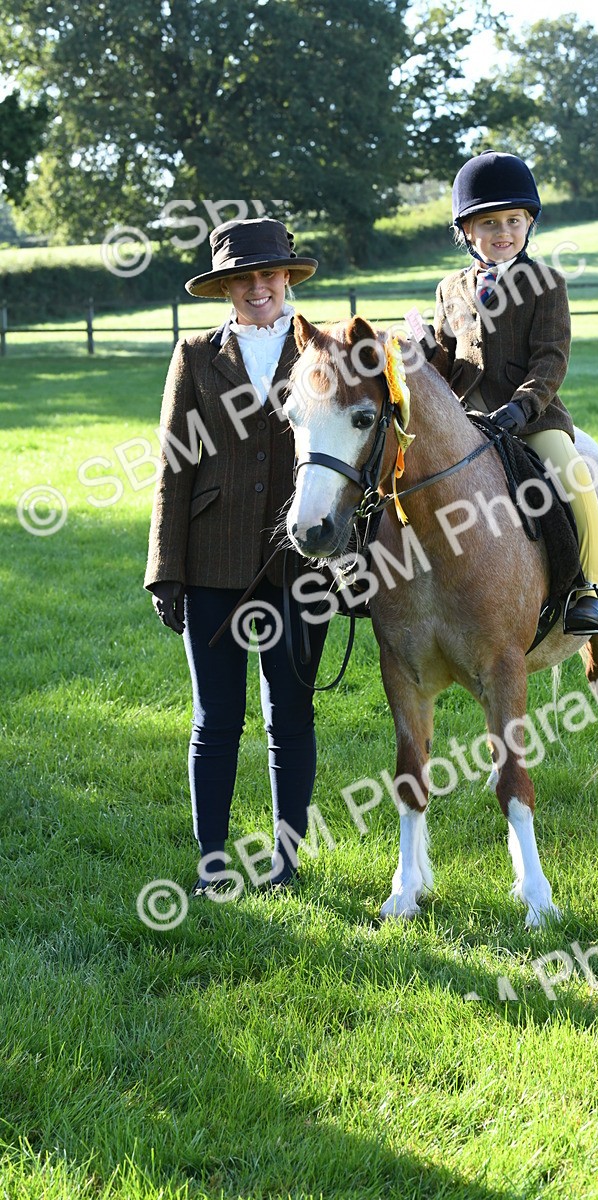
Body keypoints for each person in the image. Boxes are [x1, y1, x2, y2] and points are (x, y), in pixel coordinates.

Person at [144, 217, 330, 896]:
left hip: (298, 563)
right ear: (224, 287)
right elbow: (172, 466)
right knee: (216, 719)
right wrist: (165, 571)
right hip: (211, 562)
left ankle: (286, 862)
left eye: (268, 274)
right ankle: (213, 863)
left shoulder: (322, 349)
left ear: (286, 277)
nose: (258, 288)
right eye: (243, 278)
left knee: (291, 716)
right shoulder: (194, 355)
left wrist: (351, 562)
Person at [426, 150, 598, 634]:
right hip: (464, 419)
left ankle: (587, 590)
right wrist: (424, 352)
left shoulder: (546, 284)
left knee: (574, 479)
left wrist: (522, 407)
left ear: (529, 223)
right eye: (489, 223)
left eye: (514, 220)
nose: (503, 231)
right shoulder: (449, 289)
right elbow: (445, 359)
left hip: (531, 417)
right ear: (466, 231)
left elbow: (551, 358)